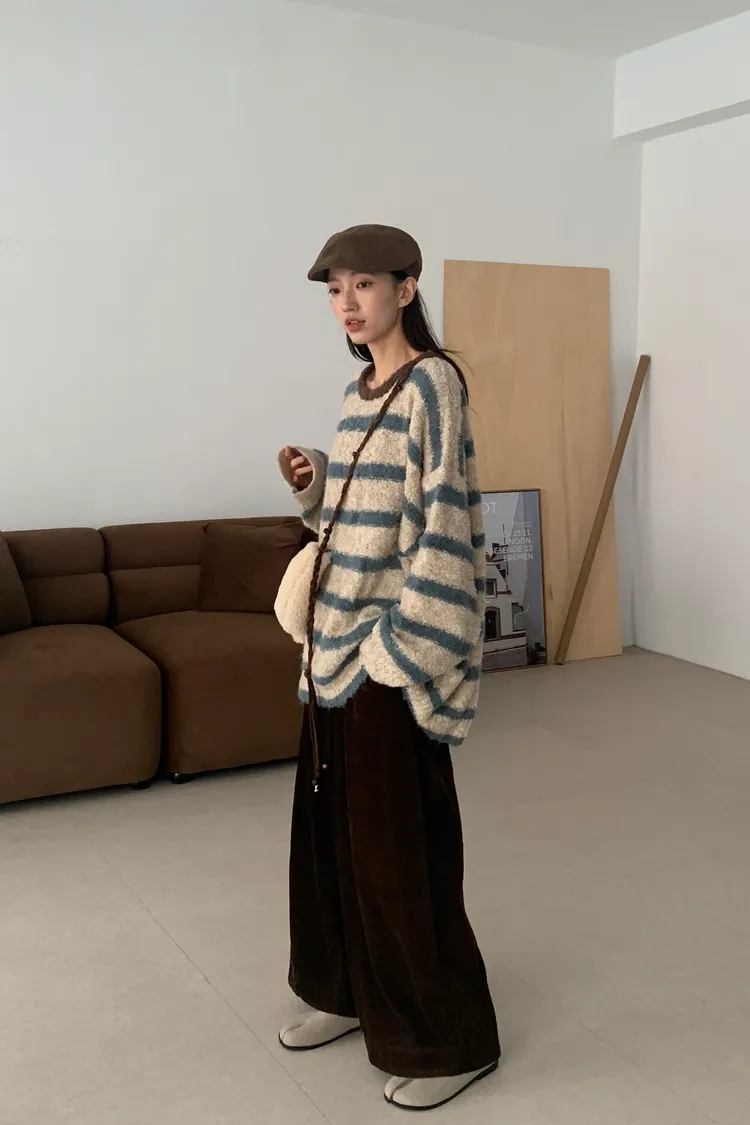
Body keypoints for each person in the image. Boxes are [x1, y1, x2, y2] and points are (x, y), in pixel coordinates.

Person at [276, 224, 500, 1112]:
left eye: (363, 284)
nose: (347, 302)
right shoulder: (355, 393)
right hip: (331, 651)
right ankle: (345, 991)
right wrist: (315, 487)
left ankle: (446, 1040)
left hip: (386, 656)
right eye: (335, 288)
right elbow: (353, 519)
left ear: (406, 288)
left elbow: (444, 525)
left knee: (401, 854)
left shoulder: (434, 384)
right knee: (329, 843)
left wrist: (396, 652)